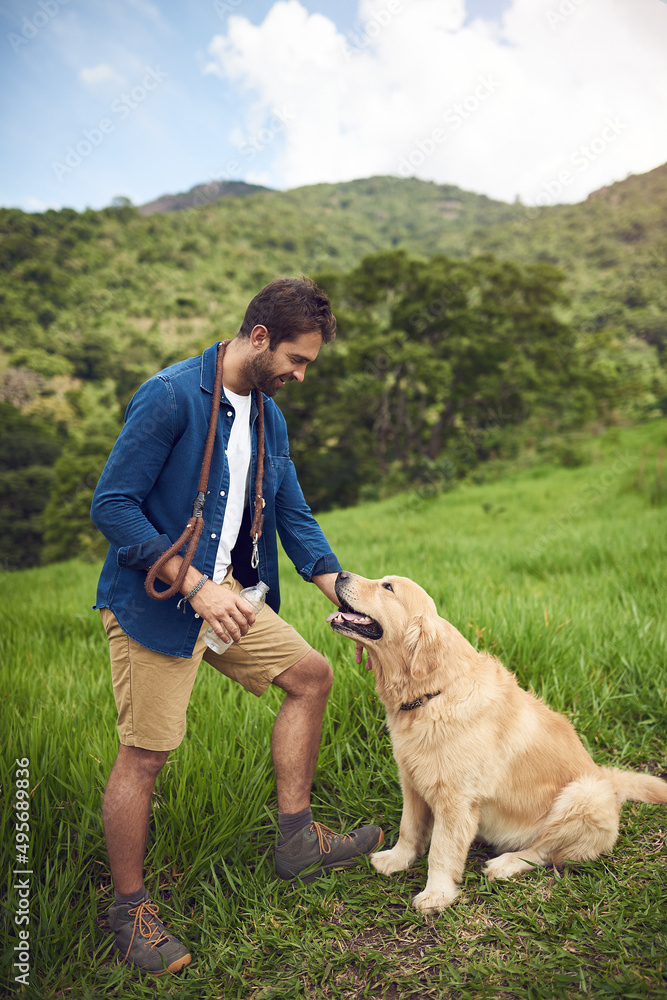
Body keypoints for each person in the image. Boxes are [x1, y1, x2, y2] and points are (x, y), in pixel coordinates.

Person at [91, 276, 384, 976]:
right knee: (146, 754)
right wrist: (192, 584)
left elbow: (293, 515)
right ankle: (128, 911)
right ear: (258, 338)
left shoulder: (267, 415)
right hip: (159, 598)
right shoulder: (169, 396)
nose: (300, 375)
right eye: (296, 359)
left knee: (310, 677)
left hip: (229, 593)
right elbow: (112, 503)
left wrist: (344, 594)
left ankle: (296, 843)